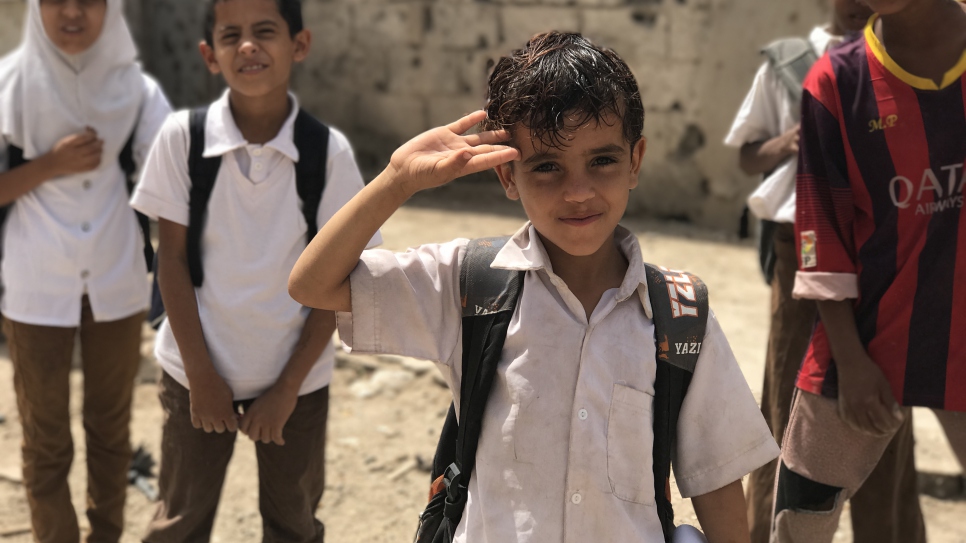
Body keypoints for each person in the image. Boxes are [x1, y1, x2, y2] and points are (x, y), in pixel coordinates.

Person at [289, 31, 779, 543]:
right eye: (546, 166)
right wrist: (397, 179)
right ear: (507, 176)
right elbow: (313, 284)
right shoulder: (468, 284)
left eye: (602, 161)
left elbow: (718, 482)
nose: (578, 191)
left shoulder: (679, 317)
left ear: (635, 161)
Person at [130, 0, 379, 539]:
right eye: (231, 35)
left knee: (292, 521)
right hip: (193, 373)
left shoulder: (326, 153)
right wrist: (200, 376)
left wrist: (287, 388)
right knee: (178, 521)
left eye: (265, 31)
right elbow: (170, 261)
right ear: (209, 55)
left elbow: (344, 277)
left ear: (300, 45)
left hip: (296, 380)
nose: (248, 45)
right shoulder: (183, 138)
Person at [723, 1, 925, 541]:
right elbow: (747, 154)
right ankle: (771, 528)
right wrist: (793, 139)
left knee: (885, 406)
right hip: (801, 252)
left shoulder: (903, 56)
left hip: (884, 251)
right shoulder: (790, 62)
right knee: (792, 400)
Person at [771, 0, 966, 540]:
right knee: (800, 515)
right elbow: (824, 235)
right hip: (865, 340)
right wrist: (851, 363)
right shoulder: (836, 81)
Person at [0, 0, 171, 541]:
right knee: (45, 440)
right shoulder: (7, 84)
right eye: (56, 0)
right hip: (34, 288)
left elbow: (176, 179)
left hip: (116, 283)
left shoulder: (138, 92)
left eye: (89, 1)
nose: (72, 12)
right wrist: (51, 164)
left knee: (110, 431)